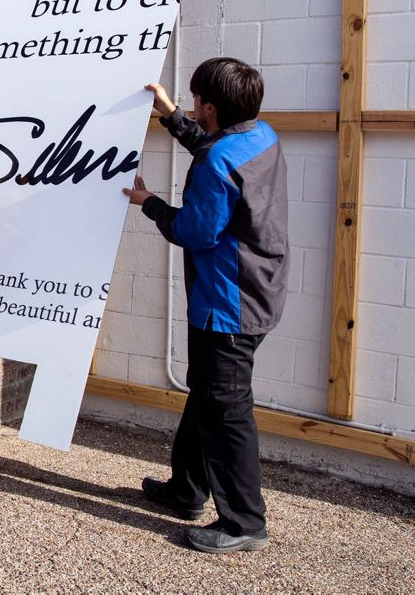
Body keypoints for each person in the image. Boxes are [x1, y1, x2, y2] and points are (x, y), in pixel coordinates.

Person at [121, 57, 288, 554]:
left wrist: (149, 203)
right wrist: (170, 112)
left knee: (227, 409)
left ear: (210, 107)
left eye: (195, 101)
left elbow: (194, 230)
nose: (193, 106)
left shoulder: (218, 162)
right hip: (258, 287)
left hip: (227, 303)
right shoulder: (260, 136)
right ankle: (186, 490)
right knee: (208, 392)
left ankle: (244, 523)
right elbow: (214, 148)